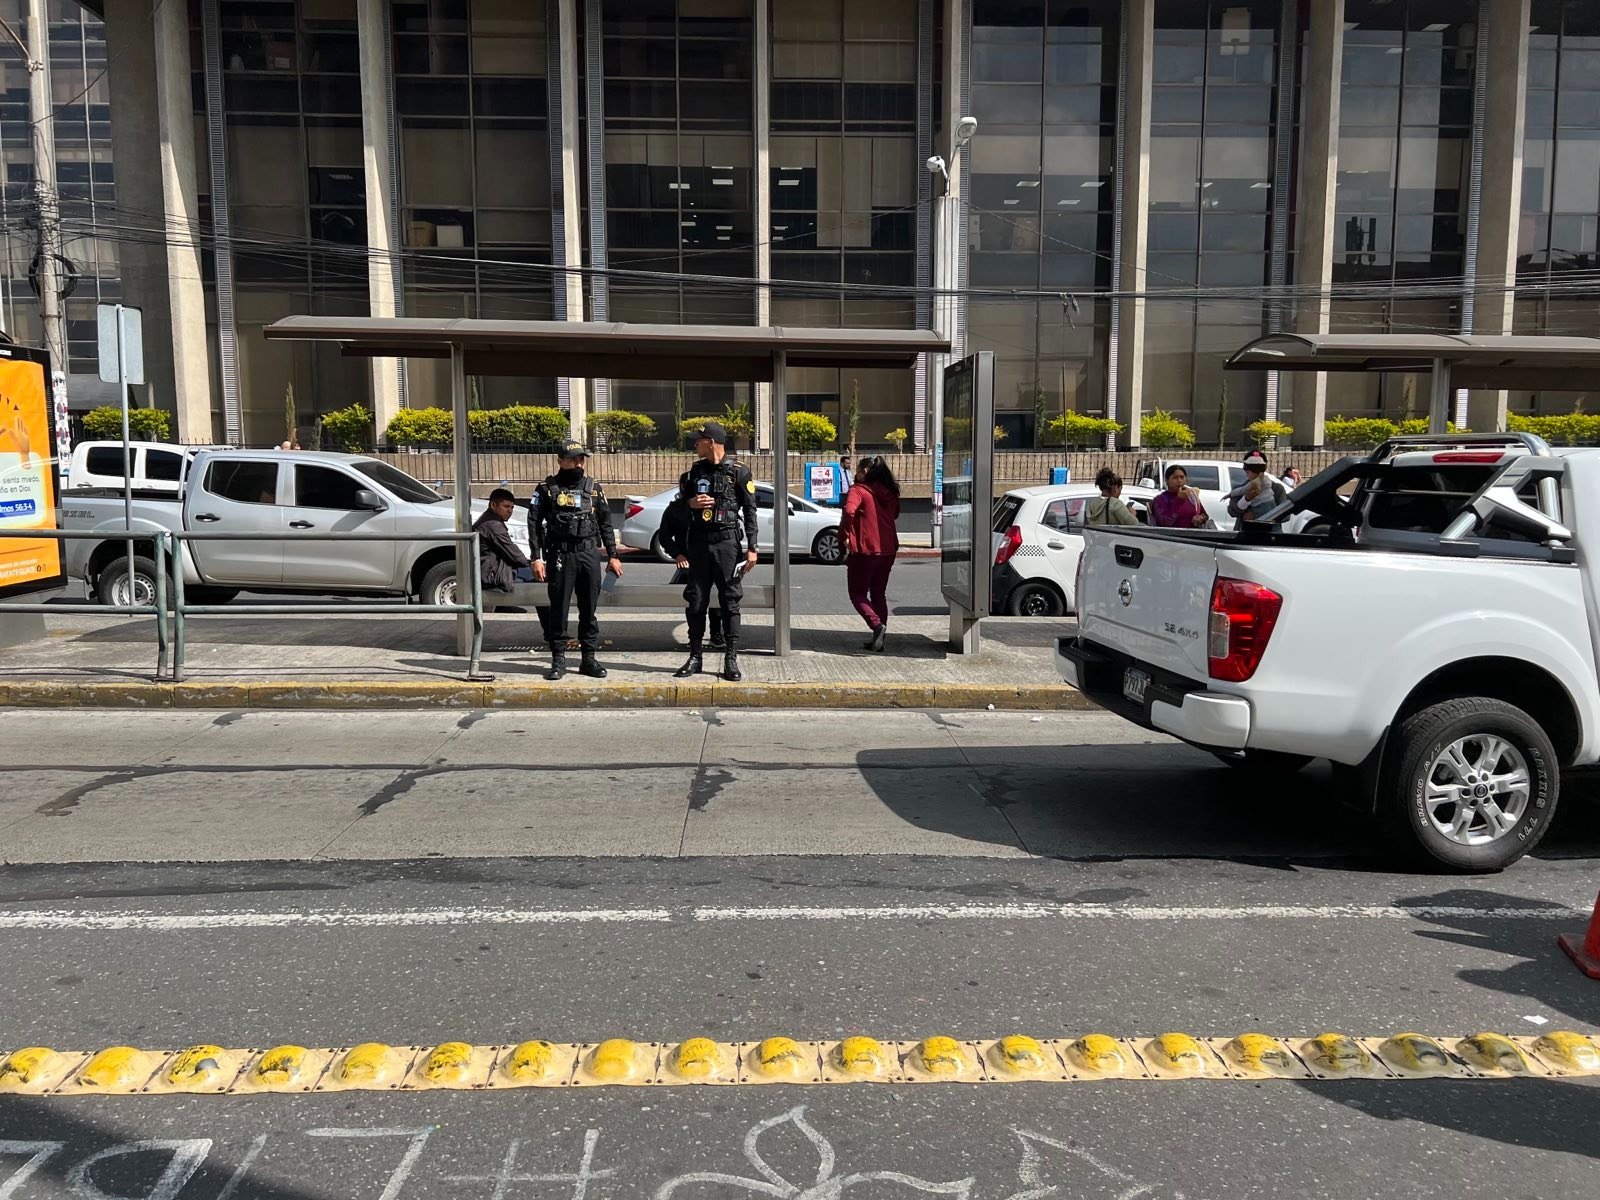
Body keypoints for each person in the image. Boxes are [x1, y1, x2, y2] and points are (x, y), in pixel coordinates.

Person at [665, 421, 759, 682]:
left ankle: (731, 657)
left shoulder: (739, 472)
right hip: (699, 543)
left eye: (699, 440)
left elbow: (750, 510)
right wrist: (691, 503)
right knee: (696, 601)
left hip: (727, 542)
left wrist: (753, 547)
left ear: (712, 442)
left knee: (730, 600)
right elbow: (680, 506)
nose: (695, 444)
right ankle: (695, 656)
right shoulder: (695, 473)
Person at [528, 440, 623, 681]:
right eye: (573, 459)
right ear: (560, 461)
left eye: (581, 459)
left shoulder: (594, 489)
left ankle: (588, 658)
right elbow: (534, 524)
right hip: (560, 554)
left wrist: (613, 555)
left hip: (588, 554)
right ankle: (558, 658)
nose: (578, 463)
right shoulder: (546, 489)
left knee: (588, 609)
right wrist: (536, 558)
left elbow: (606, 523)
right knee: (558, 608)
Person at [841, 455, 900, 652]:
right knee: (878, 593)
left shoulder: (858, 490)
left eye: (857, 469)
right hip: (888, 549)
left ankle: (876, 625)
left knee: (857, 593)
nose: (855, 473)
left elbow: (849, 511)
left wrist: (845, 534)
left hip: (865, 549)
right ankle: (880, 639)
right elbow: (895, 514)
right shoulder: (891, 492)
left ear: (864, 472)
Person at [661, 492, 725, 650]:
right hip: (690, 562)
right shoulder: (676, 509)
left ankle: (716, 634)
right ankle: (695, 637)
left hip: (713, 558)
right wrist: (677, 555)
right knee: (694, 600)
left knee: (717, 597)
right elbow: (664, 536)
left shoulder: (715, 503)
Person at [474, 487, 536, 592]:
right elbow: (514, 555)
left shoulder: (489, 520)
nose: (510, 511)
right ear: (493, 505)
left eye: (512, 507)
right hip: (491, 576)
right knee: (538, 575)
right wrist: (533, 565)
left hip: (489, 570)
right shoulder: (493, 525)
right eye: (506, 506)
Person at [1228, 450, 1289, 529]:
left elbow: (1285, 515)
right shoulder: (1240, 489)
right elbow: (1231, 511)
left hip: (1270, 532)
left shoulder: (1277, 489)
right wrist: (1245, 501)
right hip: (1245, 532)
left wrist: (1258, 516)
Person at [1149, 464, 1209, 529]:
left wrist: (1201, 518)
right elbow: (1164, 523)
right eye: (1175, 478)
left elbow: (1205, 515)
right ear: (1167, 480)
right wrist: (1179, 500)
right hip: (1172, 535)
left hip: (1194, 533)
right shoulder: (1160, 499)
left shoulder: (1191, 496)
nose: (1179, 481)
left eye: (1182, 477)